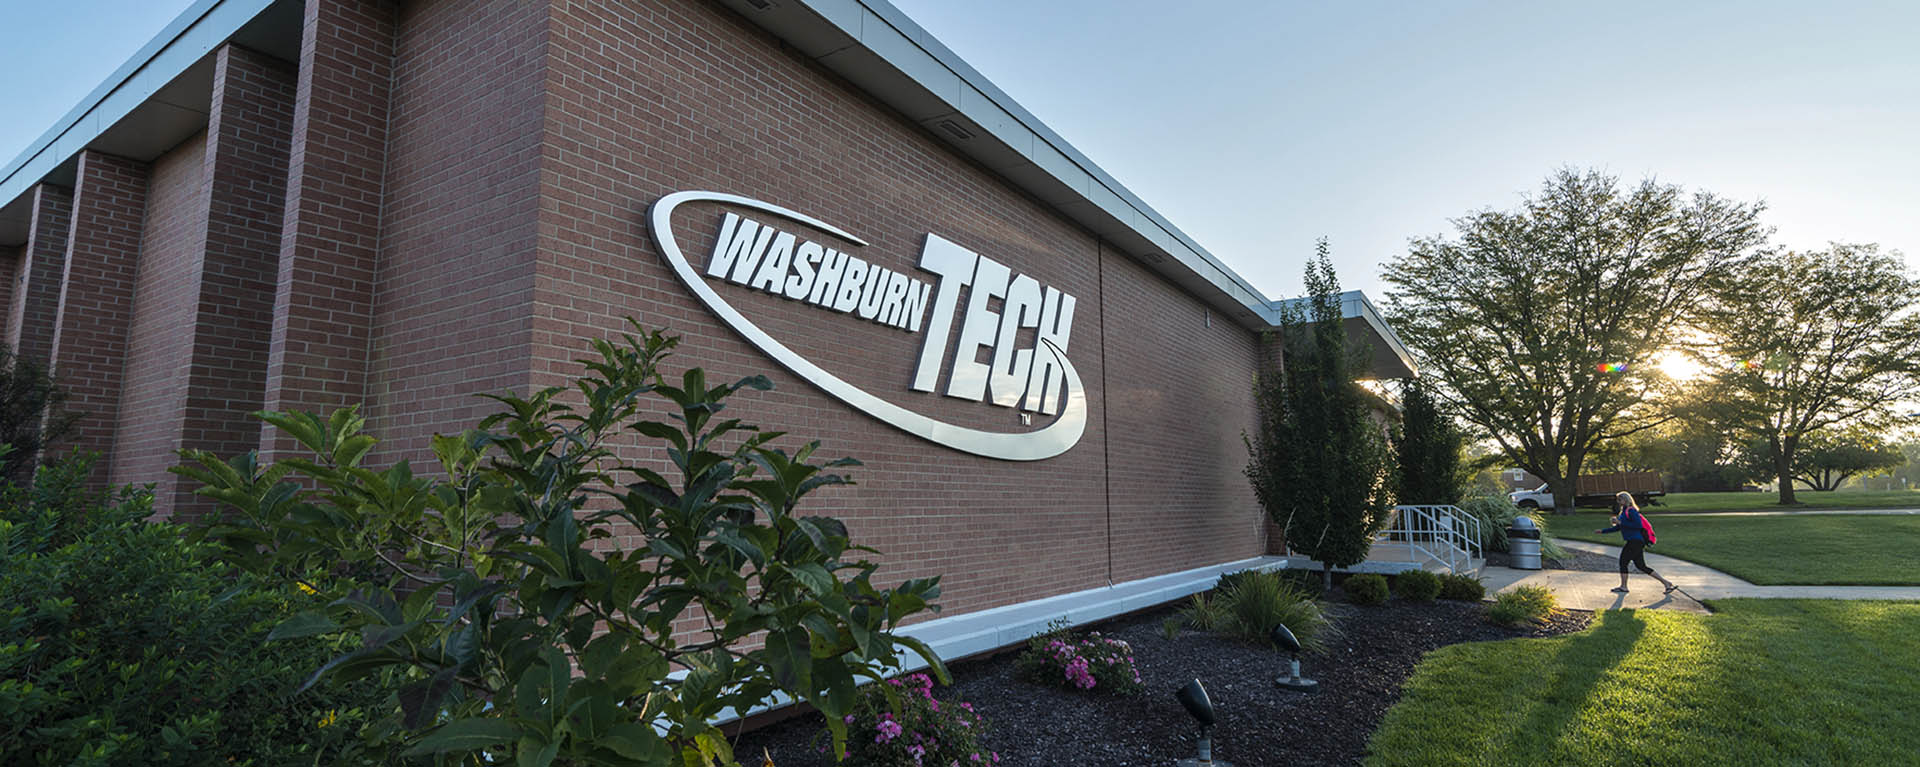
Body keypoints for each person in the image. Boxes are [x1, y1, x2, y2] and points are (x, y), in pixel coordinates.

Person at [1595, 491, 1676, 595]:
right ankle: (1666, 583)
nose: (1619, 502)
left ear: (1626, 499)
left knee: (1623, 562)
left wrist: (1621, 522)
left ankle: (1624, 587)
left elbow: (1637, 525)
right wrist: (1603, 531)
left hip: (1635, 541)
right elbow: (1619, 527)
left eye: (1620, 499)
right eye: (1618, 500)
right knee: (1641, 566)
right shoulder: (1623, 512)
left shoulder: (1632, 511)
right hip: (1634, 541)